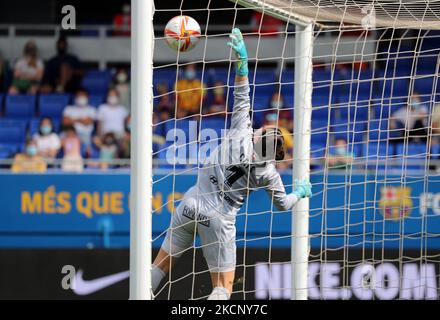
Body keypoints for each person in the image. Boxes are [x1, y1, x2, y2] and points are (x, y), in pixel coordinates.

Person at [152, 28, 312, 300]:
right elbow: (283, 205)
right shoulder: (269, 174)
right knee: (223, 288)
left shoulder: (240, 131)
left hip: (190, 204)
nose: (260, 128)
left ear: (259, 136)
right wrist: (300, 192)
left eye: (263, 130)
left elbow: (242, 94)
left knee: (160, 266)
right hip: (220, 220)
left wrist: (242, 65)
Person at [62, 89, 96, 153]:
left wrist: (72, 119)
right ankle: (69, 155)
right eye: (79, 96)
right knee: (65, 141)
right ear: (75, 97)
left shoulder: (91, 109)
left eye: (83, 96)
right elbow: (65, 122)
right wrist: (81, 120)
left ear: (87, 97)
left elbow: (87, 122)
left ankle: (87, 158)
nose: (81, 98)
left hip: (85, 134)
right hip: (70, 134)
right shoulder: (69, 109)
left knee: (87, 147)